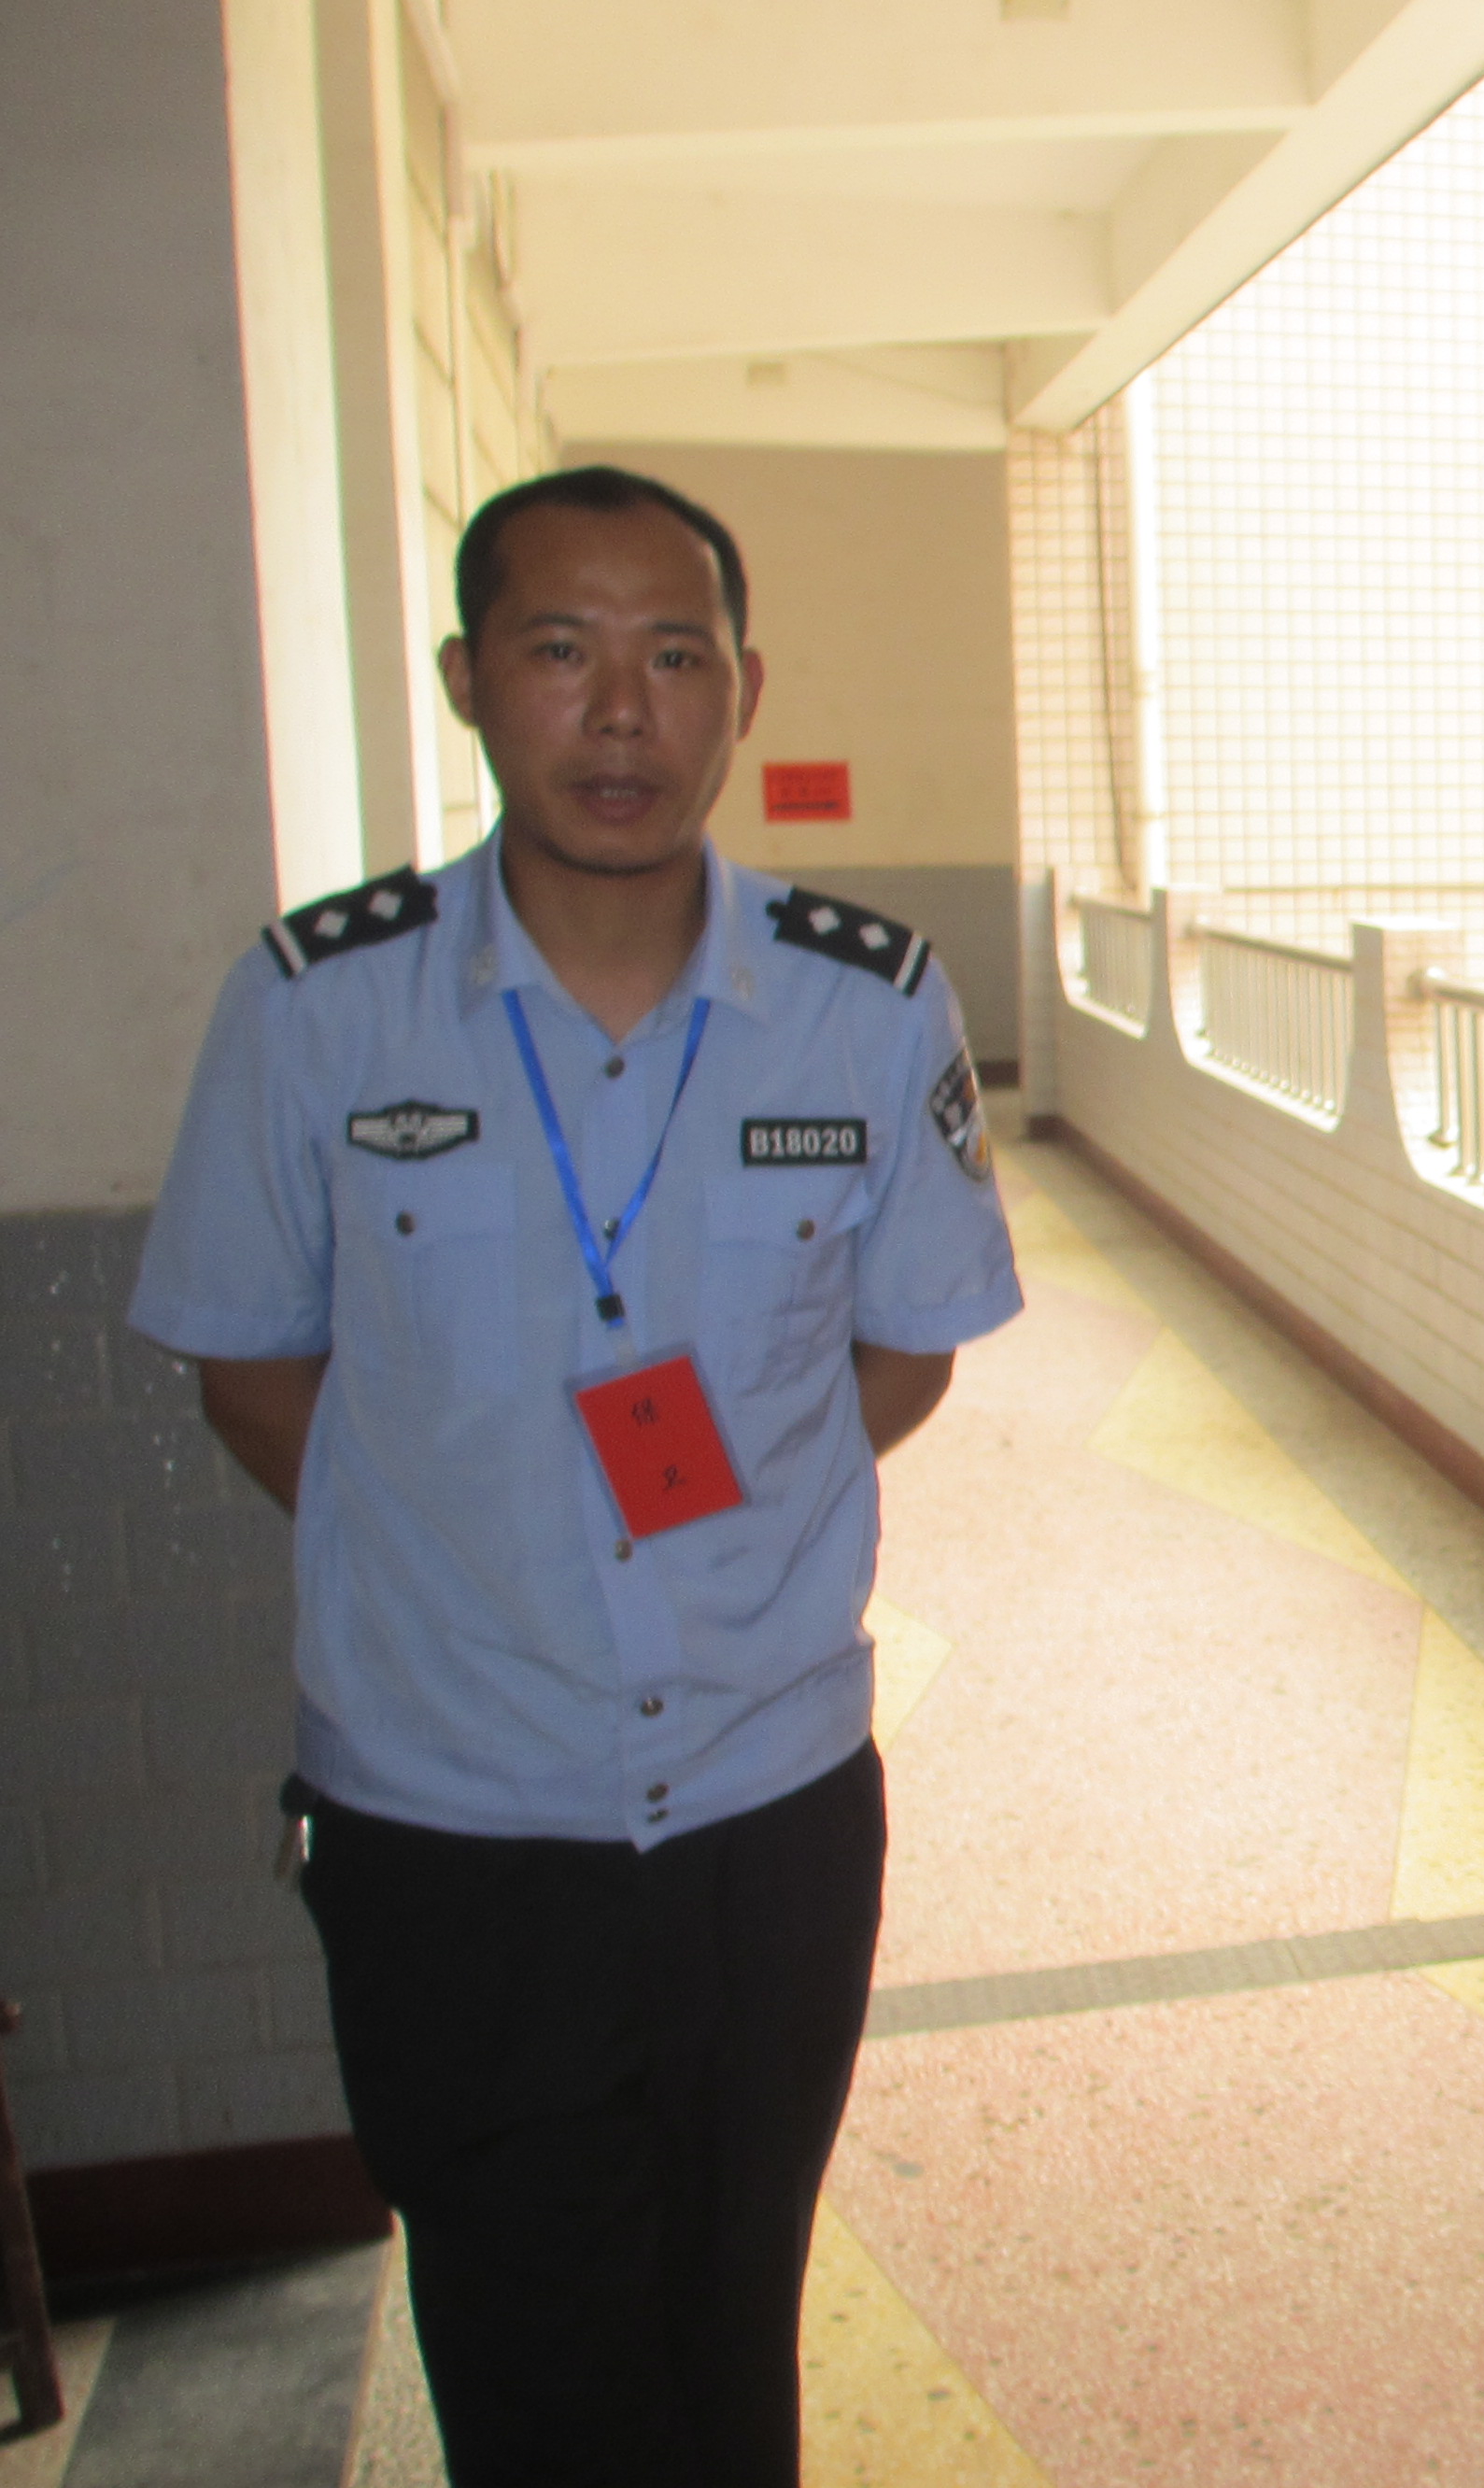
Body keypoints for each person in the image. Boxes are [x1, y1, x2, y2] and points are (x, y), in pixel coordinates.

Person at [127, 466, 1023, 2486]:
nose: (621, 711)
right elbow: (253, 1374)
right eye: (560, 649)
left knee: (729, 2329)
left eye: (674, 657)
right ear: (468, 680)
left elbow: (903, 1353)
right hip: (451, 1825)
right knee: (528, 2363)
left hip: (769, 1811)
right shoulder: (318, 1006)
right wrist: (481, 1557)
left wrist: (703, 1536)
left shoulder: (863, 1005)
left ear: (742, 692)